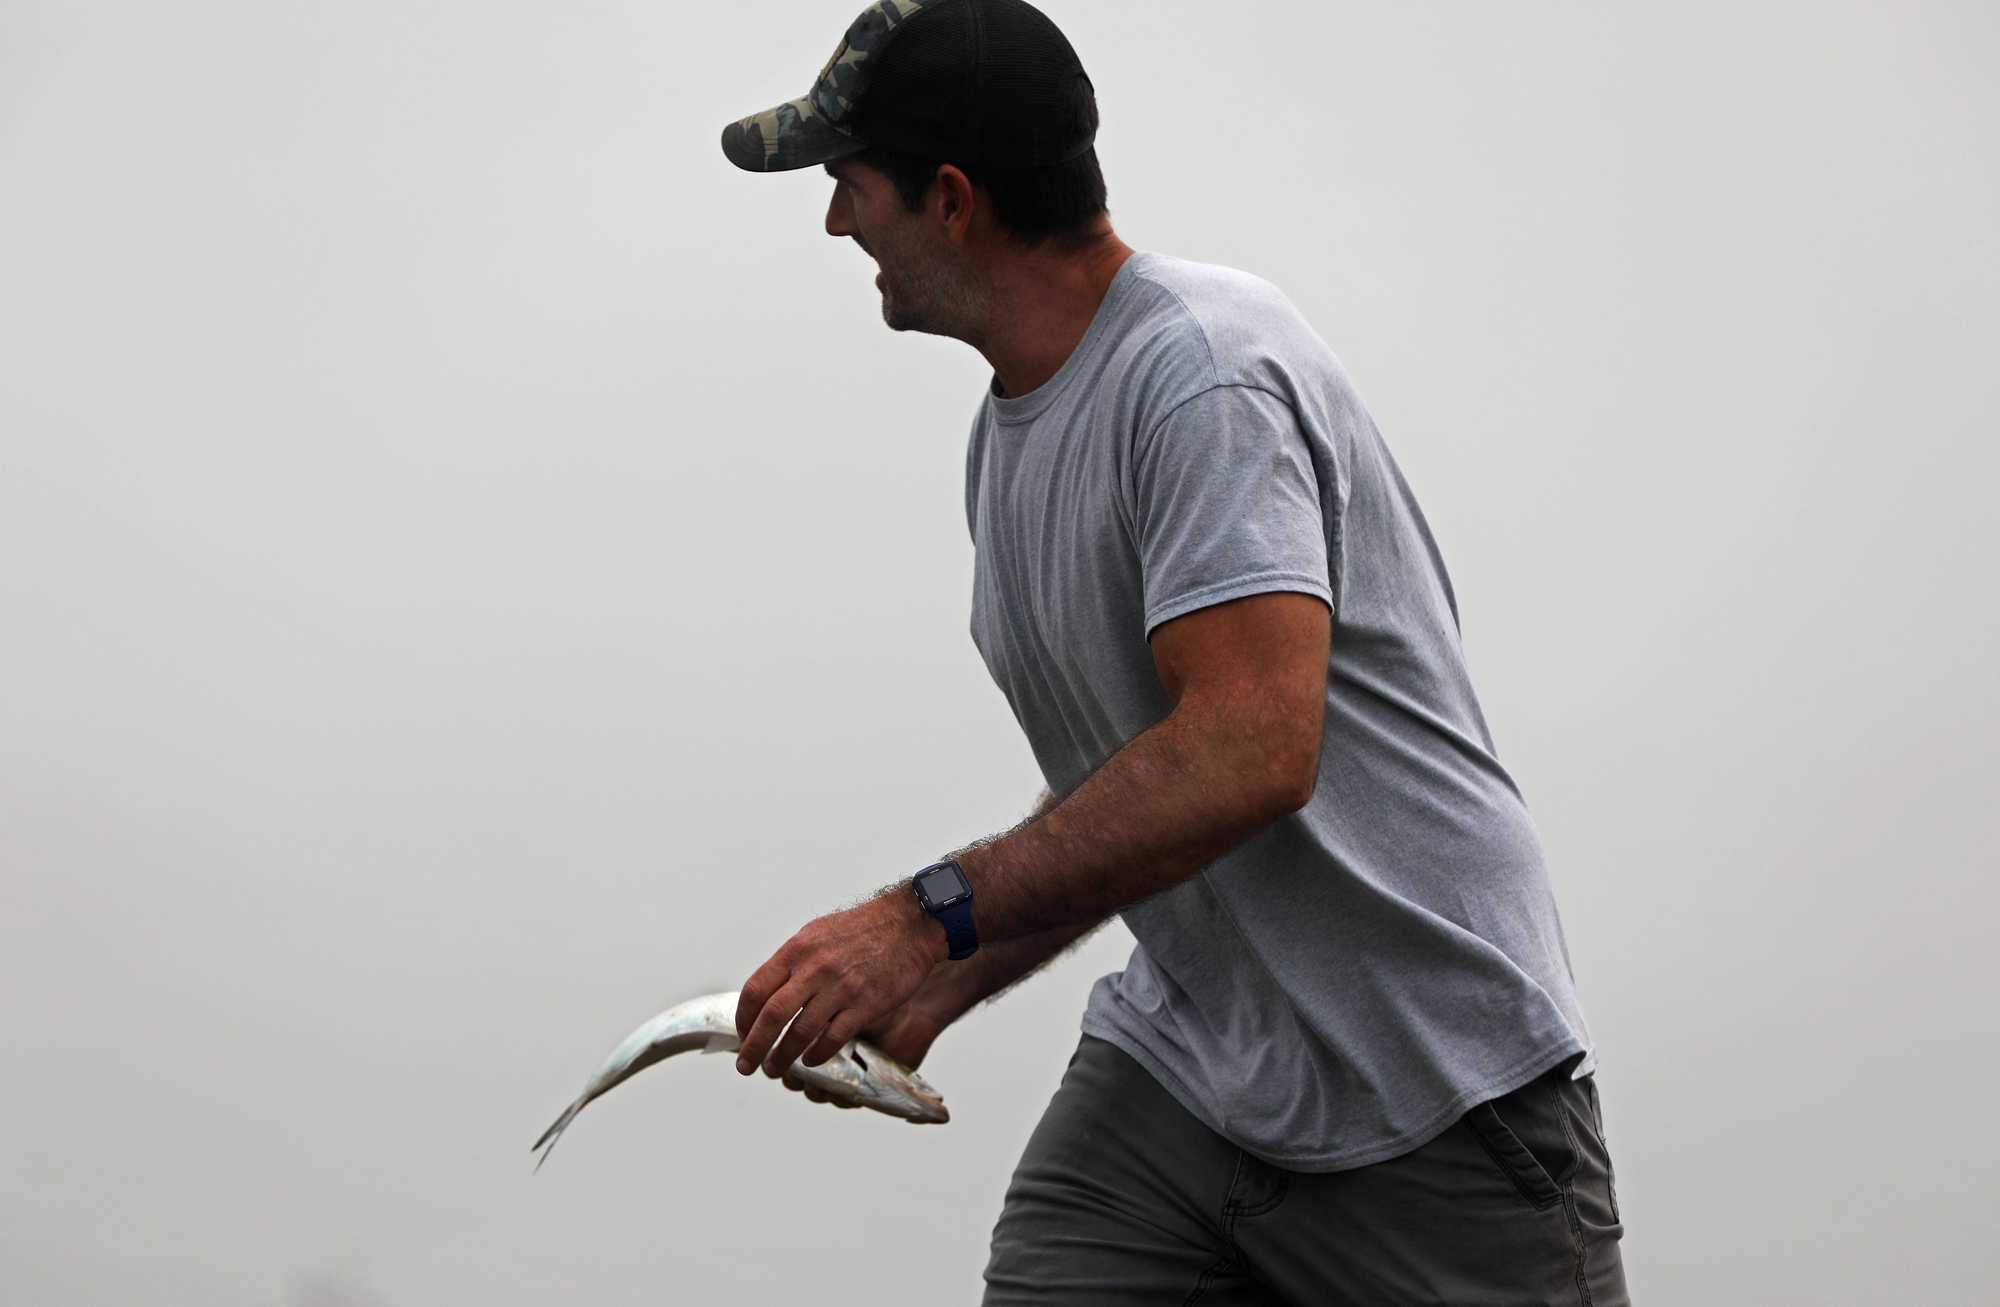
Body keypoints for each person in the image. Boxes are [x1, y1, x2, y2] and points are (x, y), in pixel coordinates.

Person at [718, 2, 1631, 1302]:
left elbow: (1250, 749)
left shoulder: (1203, 375)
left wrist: (926, 923)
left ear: (955, 199)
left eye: (849, 186)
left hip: (1431, 1094)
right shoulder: (1012, 438)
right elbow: (1138, 778)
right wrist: (965, 961)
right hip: (1191, 1080)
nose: (834, 225)